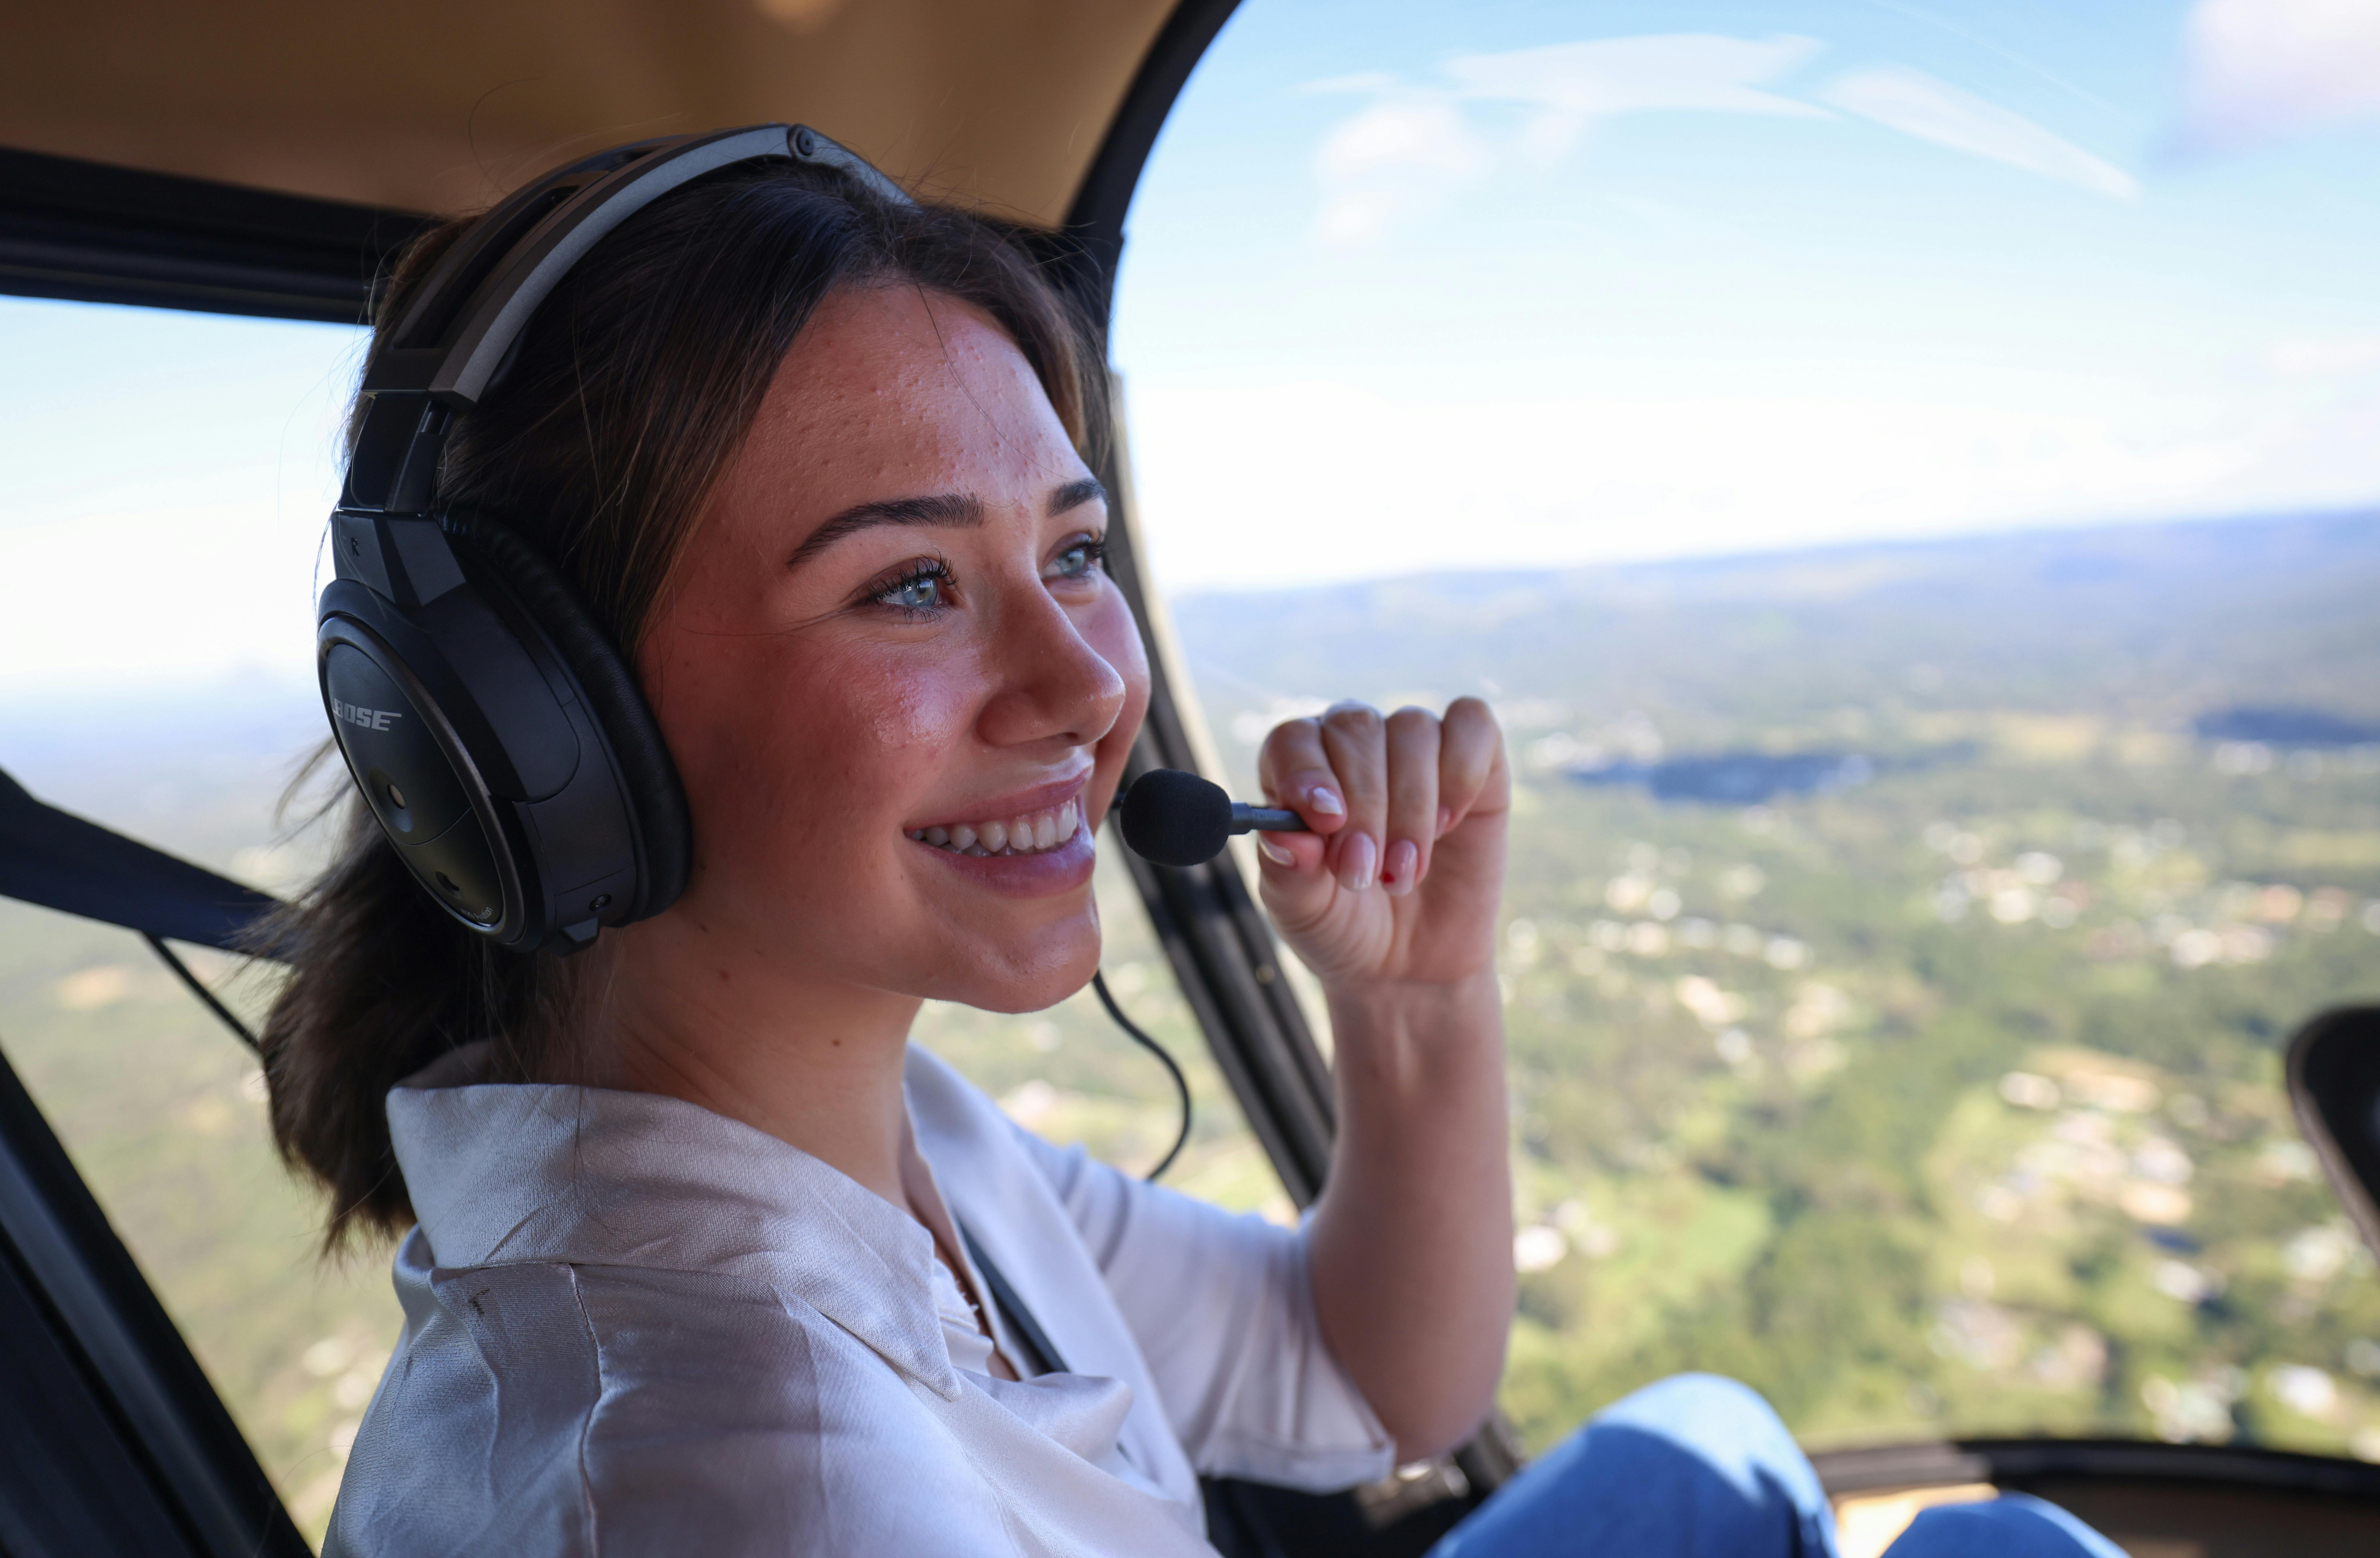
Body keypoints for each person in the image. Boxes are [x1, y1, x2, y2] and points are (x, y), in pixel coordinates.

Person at [262, 145, 2121, 1558]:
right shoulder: (740, 1482)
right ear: (538, 724)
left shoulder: (890, 1143)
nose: (1087, 682)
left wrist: (1417, 1003)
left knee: (1719, 1435)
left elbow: (1365, 1371)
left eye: (1073, 551)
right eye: (910, 584)